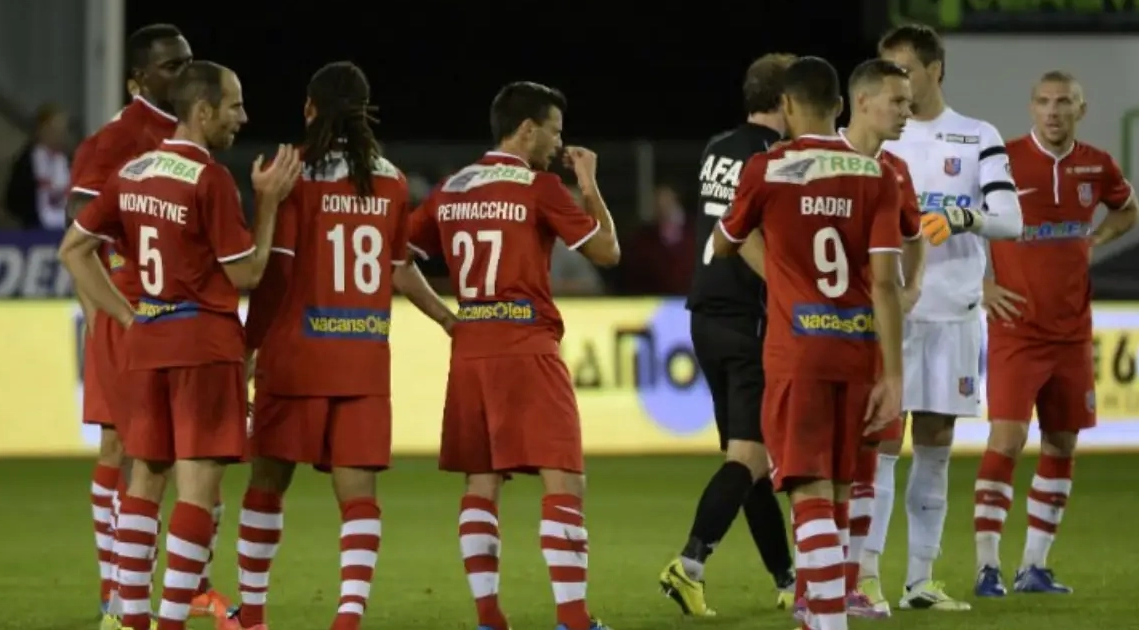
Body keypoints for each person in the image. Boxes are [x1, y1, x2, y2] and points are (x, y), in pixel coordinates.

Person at [59, 60, 302, 630]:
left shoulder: (134, 172)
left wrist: (126, 316)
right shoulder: (209, 179)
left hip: (148, 344)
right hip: (202, 346)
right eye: (234, 105)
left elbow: (73, 250)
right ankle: (170, 624)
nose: (243, 117)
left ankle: (131, 620)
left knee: (144, 481)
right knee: (196, 489)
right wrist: (268, 203)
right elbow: (247, 273)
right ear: (203, 110)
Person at [224, 61, 455, 630]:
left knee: (267, 485)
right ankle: (349, 616)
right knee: (358, 496)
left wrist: (248, 349)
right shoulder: (391, 179)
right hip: (363, 360)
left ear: (310, 108)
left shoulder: (290, 173)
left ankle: (252, 614)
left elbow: (274, 273)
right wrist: (447, 320)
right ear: (365, 112)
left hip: (295, 356)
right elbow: (399, 268)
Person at [405, 81, 620, 630]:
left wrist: (447, 318)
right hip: (527, 346)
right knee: (563, 479)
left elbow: (393, 258)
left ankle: (489, 617)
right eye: (555, 131)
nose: (559, 143)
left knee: (481, 482)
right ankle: (573, 620)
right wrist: (589, 185)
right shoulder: (539, 186)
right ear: (527, 129)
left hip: (472, 349)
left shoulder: (453, 187)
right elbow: (607, 251)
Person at [711, 55, 906, 630]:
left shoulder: (768, 168)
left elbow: (724, 243)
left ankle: (827, 621)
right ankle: (819, 613)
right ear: (841, 106)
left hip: (797, 350)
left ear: (788, 106)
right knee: (842, 488)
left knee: (808, 489)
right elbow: (887, 284)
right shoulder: (878, 175)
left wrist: (779, 262)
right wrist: (893, 375)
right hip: (859, 350)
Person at [65, 23, 237, 625]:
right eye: (171, 66)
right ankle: (114, 593)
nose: (183, 72)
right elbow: (81, 232)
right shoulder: (116, 140)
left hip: (177, 313)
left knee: (187, 459)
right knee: (129, 450)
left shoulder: (190, 134)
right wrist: (106, 316)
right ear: (138, 79)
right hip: (137, 309)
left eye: (188, 62)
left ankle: (188, 588)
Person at [860, 23, 1024, 612]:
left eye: (905, 70)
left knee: (935, 445)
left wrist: (963, 218)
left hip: (953, 313)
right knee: (880, 444)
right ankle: (865, 575)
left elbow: (1011, 220)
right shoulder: (878, 138)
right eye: (889, 72)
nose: (897, 83)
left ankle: (920, 580)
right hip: (891, 314)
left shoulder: (977, 136)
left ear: (935, 71)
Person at [973, 70, 1139, 596]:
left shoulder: (1097, 164)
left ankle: (1034, 566)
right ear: (1032, 107)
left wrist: (1097, 237)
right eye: (1043, 101)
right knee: (1007, 439)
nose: (1052, 110)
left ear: (1080, 110)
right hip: (1016, 329)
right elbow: (959, 222)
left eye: (1063, 102)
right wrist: (981, 283)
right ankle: (986, 566)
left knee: (1062, 442)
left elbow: (1128, 209)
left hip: (1071, 332)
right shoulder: (1003, 160)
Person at [661, 51, 797, 618]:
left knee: (750, 462)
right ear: (786, 100)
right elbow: (744, 234)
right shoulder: (774, 158)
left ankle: (787, 579)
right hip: (748, 317)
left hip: (705, 315)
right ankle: (689, 564)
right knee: (749, 457)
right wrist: (790, 292)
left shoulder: (718, 147)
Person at [832, 58, 925, 619]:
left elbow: (915, 235)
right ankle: (816, 582)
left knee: (868, 460)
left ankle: (851, 581)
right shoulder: (817, 162)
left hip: (875, 339)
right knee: (825, 466)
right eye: (898, 101)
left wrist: (912, 287)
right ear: (862, 101)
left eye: (909, 102)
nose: (907, 112)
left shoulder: (896, 172)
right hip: (823, 337)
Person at [3, 103, 71, 230]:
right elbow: (12, 199)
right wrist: (29, 216)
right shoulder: (28, 160)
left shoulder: (69, 160)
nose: (60, 135)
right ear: (41, 130)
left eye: (63, 130)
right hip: (35, 231)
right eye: (54, 129)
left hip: (67, 230)